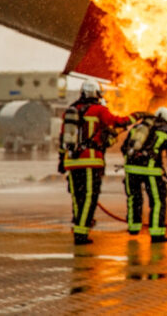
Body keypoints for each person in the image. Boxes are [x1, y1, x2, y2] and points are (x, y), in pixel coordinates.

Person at [57, 80, 142, 245]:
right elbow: (118, 121)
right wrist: (137, 116)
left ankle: (79, 227)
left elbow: (62, 139)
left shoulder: (71, 111)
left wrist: (61, 160)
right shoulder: (99, 110)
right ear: (95, 93)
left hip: (71, 161)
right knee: (89, 197)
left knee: (77, 197)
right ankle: (81, 234)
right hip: (90, 160)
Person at [121, 106, 167, 243]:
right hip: (151, 171)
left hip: (131, 170)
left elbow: (123, 148)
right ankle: (156, 233)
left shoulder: (139, 128)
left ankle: (133, 227)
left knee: (134, 198)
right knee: (157, 201)